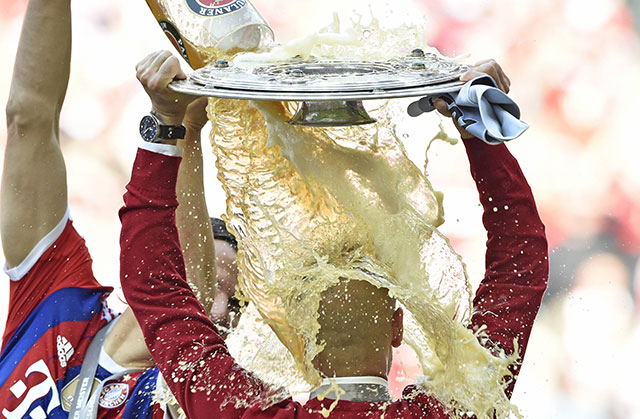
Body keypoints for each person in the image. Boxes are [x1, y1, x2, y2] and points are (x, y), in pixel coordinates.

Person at [119, 50, 548, 418]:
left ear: (298, 336)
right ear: (397, 326)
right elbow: (521, 264)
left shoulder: (236, 408)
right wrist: (478, 123)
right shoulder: (459, 405)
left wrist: (167, 122)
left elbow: (154, 289)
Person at [0, 1, 239, 416]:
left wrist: (184, 130)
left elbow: (190, 297)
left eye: (231, 301)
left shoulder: (183, 400)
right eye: (216, 284)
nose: (216, 310)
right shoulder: (56, 298)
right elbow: (28, 118)